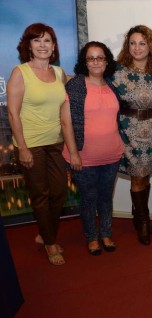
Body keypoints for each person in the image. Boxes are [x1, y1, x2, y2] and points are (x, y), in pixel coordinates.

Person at [6, 23, 68, 265]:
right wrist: (22, 147)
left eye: (47, 41)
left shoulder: (59, 73)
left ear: (54, 46)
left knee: (60, 191)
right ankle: (50, 243)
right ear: (28, 46)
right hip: (30, 144)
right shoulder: (20, 73)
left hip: (55, 142)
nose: (43, 45)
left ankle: (45, 233)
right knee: (41, 195)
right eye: (37, 40)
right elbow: (12, 114)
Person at [61, 41, 124, 255]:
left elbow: (115, 119)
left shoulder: (112, 87)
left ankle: (106, 234)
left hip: (112, 155)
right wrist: (73, 153)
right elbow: (66, 123)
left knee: (106, 198)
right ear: (84, 62)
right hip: (84, 157)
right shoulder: (76, 86)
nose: (95, 62)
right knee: (89, 199)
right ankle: (92, 238)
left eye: (100, 57)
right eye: (91, 58)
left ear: (107, 62)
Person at [113, 25, 152, 245]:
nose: (137, 48)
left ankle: (139, 218)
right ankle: (143, 223)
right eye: (132, 43)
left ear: (150, 45)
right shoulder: (117, 71)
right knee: (137, 175)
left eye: (142, 43)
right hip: (127, 131)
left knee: (145, 174)